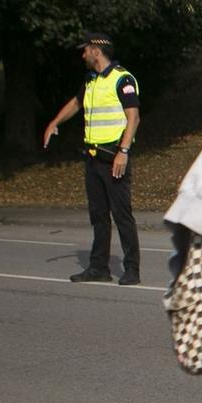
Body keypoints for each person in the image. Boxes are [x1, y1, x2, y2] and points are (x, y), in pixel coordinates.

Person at [41, 33, 141, 285]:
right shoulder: (91, 81)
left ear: (96, 51)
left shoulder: (122, 79)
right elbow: (76, 103)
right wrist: (54, 122)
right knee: (98, 216)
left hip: (114, 157)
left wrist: (124, 152)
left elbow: (134, 118)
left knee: (122, 215)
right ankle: (99, 268)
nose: (82, 55)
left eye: (85, 50)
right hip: (93, 158)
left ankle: (132, 270)